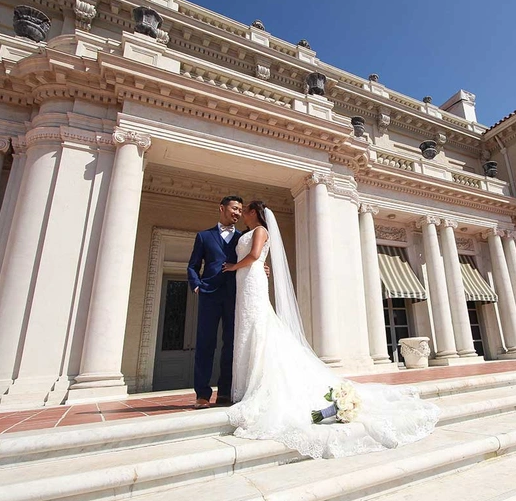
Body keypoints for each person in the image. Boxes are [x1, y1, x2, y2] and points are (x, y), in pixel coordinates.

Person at [222, 200, 440, 459]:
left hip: (250, 276)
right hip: (248, 279)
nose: (243, 214)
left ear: (253, 213)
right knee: (251, 326)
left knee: (258, 326)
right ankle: (248, 382)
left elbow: (256, 255)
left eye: (245, 210)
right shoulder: (249, 232)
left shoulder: (259, 231)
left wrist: (235, 266)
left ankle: (256, 384)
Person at [187, 195, 243, 409]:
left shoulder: (242, 238)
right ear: (222, 208)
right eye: (234, 208)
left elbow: (250, 259)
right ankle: (202, 394)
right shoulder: (204, 236)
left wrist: (261, 269)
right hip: (209, 294)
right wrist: (196, 285)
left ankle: (225, 393)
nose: (237, 213)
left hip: (234, 295)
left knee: (230, 344)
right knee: (205, 344)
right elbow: (192, 265)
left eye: (240, 210)